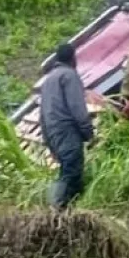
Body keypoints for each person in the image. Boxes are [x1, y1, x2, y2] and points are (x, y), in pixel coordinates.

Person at [39, 43, 94, 208]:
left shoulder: (48, 80)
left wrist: (49, 143)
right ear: (73, 58)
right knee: (71, 172)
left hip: (53, 133)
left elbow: (42, 115)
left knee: (70, 172)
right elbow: (77, 107)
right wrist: (88, 132)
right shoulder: (69, 75)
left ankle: (69, 213)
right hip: (67, 130)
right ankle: (54, 209)